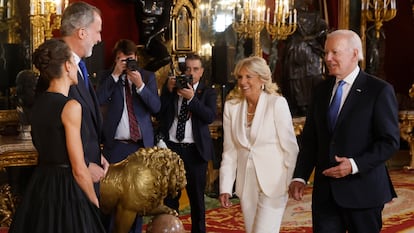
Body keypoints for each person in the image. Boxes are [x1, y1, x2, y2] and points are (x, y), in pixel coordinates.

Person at [288, 29, 400, 233]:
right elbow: (311, 140)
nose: (328, 58)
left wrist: (354, 165)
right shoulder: (320, 90)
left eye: (335, 52)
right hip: (325, 195)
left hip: (363, 192)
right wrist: (300, 176)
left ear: (355, 54)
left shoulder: (379, 90)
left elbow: (389, 142)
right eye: (326, 53)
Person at [9, 39, 106, 233]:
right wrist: (94, 202)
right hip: (67, 191)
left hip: (40, 185)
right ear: (67, 66)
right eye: (74, 62)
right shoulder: (71, 107)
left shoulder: (38, 104)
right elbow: (79, 169)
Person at [218, 56, 299, 233]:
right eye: (240, 77)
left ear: (262, 79)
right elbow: (229, 151)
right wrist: (225, 186)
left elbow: (291, 148)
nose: (243, 82)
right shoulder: (232, 107)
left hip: (275, 183)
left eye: (248, 77)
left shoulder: (277, 103)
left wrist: (290, 181)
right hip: (247, 185)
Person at [96, 39, 161, 233]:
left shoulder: (147, 77)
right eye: (121, 60)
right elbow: (97, 100)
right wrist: (115, 75)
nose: (125, 64)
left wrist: (140, 85)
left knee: (137, 197)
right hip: (115, 147)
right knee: (112, 198)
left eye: (129, 59)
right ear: (115, 60)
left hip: (141, 147)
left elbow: (156, 107)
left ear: (137, 58)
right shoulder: (107, 77)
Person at [158, 54, 217, 233]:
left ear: (201, 72)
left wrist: (192, 99)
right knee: (170, 199)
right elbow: (160, 114)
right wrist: (168, 91)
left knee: (197, 199)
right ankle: (170, 229)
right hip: (173, 149)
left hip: (194, 151)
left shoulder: (208, 92)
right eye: (188, 69)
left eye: (195, 69)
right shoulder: (173, 88)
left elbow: (209, 116)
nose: (191, 72)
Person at [60, 1, 109, 195]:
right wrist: (86, 164)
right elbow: (55, 129)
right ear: (82, 33)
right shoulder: (58, 66)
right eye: (97, 31)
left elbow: (85, 123)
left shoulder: (79, 65)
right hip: (72, 178)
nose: (99, 39)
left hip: (86, 167)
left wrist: (96, 154)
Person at [282, 0, 327, 116]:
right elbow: (323, 31)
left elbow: (284, 36)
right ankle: (304, 105)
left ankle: (303, 105)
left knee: (302, 78)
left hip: (301, 52)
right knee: (301, 78)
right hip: (305, 51)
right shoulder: (315, 17)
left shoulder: (292, 17)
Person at [128, 0, 173, 72]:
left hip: (155, 37)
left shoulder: (166, 2)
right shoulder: (140, 2)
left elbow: (165, 24)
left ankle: (142, 74)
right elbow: (139, 20)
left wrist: (150, 38)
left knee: (165, 57)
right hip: (144, 36)